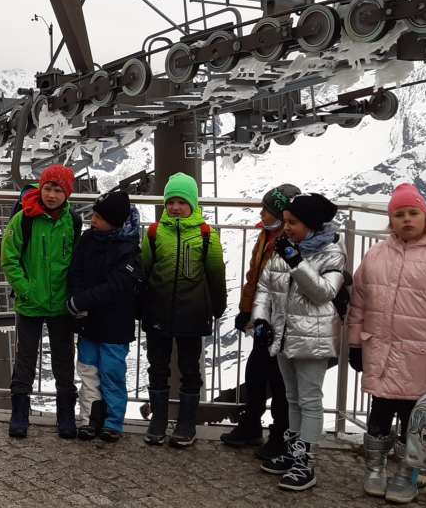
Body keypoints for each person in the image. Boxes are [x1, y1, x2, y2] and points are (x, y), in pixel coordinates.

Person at [252, 192, 344, 492]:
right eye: (287, 221)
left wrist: (297, 263)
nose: (287, 227)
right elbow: (265, 287)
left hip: (313, 338)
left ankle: (306, 461)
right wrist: (261, 319)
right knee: (292, 397)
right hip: (285, 335)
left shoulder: (332, 254)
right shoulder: (285, 249)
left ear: (312, 224)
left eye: (293, 222)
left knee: (309, 399)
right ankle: (294, 453)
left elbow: (323, 293)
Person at [348, 183, 426, 503]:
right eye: (399, 214)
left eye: (413, 213)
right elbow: (359, 302)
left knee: (414, 421)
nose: (407, 220)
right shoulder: (376, 254)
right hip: (381, 352)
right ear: (390, 219)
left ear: (424, 216)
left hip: (420, 357)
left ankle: (406, 472)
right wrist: (355, 344)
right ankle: (375, 468)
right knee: (379, 415)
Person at [141, 172, 226, 448]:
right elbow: (144, 271)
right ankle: (159, 421)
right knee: (158, 366)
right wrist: (140, 306)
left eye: (181, 201)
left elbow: (216, 273)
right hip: (158, 310)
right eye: (170, 202)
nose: (175, 207)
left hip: (192, 312)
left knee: (190, 369)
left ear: (192, 204)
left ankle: (186, 423)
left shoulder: (206, 235)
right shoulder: (154, 233)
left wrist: (218, 306)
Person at [221, 184, 300, 459]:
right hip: (262, 318)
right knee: (255, 372)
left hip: (280, 322)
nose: (262, 213)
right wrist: (246, 310)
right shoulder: (266, 235)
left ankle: (280, 434)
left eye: (268, 210)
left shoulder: (291, 242)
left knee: (279, 381)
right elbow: (254, 277)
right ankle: (251, 423)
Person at [2, 164, 80, 439]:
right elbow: (9, 257)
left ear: (67, 193)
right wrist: (25, 289)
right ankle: (19, 413)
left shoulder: (74, 222)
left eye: (58, 190)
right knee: (25, 358)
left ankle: (66, 415)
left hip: (61, 304)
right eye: (47, 188)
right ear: (40, 188)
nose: (51, 195)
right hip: (31, 302)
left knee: (63, 360)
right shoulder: (24, 219)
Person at [67, 190, 144, 442]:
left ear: (114, 221)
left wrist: (81, 301)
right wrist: (78, 298)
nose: (93, 221)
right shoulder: (88, 240)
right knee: (88, 369)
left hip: (114, 323)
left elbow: (116, 286)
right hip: (89, 321)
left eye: (99, 217)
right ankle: (90, 419)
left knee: (111, 371)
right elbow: (75, 271)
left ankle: (113, 422)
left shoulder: (129, 250)